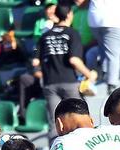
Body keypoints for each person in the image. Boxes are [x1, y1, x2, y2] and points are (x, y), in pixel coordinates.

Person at [34, 3, 97, 138]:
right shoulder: (72, 33)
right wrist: (89, 75)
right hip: (69, 82)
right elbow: (74, 60)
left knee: (54, 121)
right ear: (69, 15)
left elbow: (35, 62)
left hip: (50, 83)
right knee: (80, 118)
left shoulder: (45, 36)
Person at [87, 0, 120, 93]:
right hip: (114, 20)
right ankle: (112, 85)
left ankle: (104, 73)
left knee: (104, 48)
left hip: (95, 18)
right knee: (114, 53)